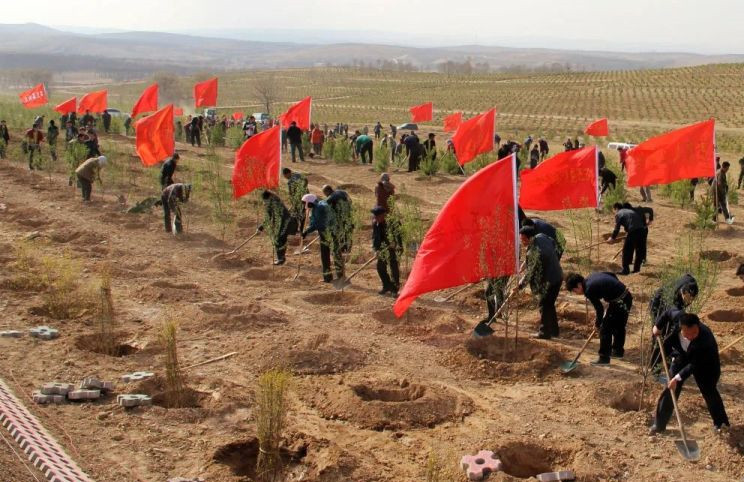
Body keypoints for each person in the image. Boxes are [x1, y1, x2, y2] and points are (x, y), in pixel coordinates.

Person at [649, 313, 729, 434]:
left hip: (704, 364)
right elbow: (668, 312)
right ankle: (659, 424)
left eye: (694, 333)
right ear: (681, 327)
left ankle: (721, 424)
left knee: (709, 390)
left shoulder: (705, 340)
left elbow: (694, 365)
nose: (691, 336)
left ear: (698, 326)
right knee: (670, 389)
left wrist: (677, 378)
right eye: (688, 333)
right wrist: (658, 326)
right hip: (682, 355)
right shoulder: (678, 318)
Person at [566, 272, 632, 365]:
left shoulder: (588, 289)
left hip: (618, 301)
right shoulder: (591, 277)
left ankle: (604, 358)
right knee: (619, 325)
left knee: (605, 329)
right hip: (626, 296)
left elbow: (599, 308)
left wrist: (598, 324)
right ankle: (617, 352)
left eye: (574, 290)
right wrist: (612, 293)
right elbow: (612, 275)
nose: (576, 293)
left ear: (579, 285)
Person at [513, 225, 563, 339]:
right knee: (549, 304)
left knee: (544, 305)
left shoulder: (534, 253)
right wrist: (527, 262)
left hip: (549, 280)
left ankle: (544, 333)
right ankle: (554, 331)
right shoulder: (541, 236)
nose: (522, 242)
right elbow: (553, 243)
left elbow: (530, 273)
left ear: (531, 238)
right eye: (521, 239)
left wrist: (519, 286)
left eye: (524, 240)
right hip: (558, 275)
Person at [301, 194, 339, 283]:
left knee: (326, 255)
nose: (304, 205)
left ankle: (330, 277)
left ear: (309, 202)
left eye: (305, 203)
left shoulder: (319, 209)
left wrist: (306, 231)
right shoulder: (319, 205)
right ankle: (330, 277)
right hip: (329, 231)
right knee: (329, 254)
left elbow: (317, 224)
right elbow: (314, 222)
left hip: (328, 232)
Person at [257, 190, 298, 265]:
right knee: (281, 240)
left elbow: (271, 218)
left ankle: (281, 259)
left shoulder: (273, 203)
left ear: (268, 198)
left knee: (278, 240)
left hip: (284, 224)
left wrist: (261, 228)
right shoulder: (275, 201)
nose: (265, 202)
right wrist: (261, 228)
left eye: (265, 200)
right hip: (287, 223)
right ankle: (281, 258)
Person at [372, 206, 402, 296]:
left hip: (394, 248)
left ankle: (395, 289)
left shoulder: (394, 222)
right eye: (375, 217)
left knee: (393, 268)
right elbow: (375, 238)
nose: (376, 218)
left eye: (378, 217)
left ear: (383, 215)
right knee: (380, 267)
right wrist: (376, 249)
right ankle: (387, 286)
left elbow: (399, 235)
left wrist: (396, 243)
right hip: (383, 248)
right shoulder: (376, 223)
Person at [611, 202, 645, 275]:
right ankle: (636, 269)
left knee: (626, 250)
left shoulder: (619, 213)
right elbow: (631, 222)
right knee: (639, 250)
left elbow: (617, 228)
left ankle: (625, 270)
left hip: (634, 231)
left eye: (614, 210)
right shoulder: (630, 211)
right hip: (642, 230)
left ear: (616, 208)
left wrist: (612, 238)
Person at [323, 184, 353, 255]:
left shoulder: (330, 198)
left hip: (340, 219)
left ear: (327, 191)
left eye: (324, 193)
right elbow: (350, 201)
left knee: (340, 234)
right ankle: (348, 250)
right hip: (349, 216)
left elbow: (325, 208)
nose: (325, 195)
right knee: (348, 233)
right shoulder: (342, 192)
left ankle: (342, 251)